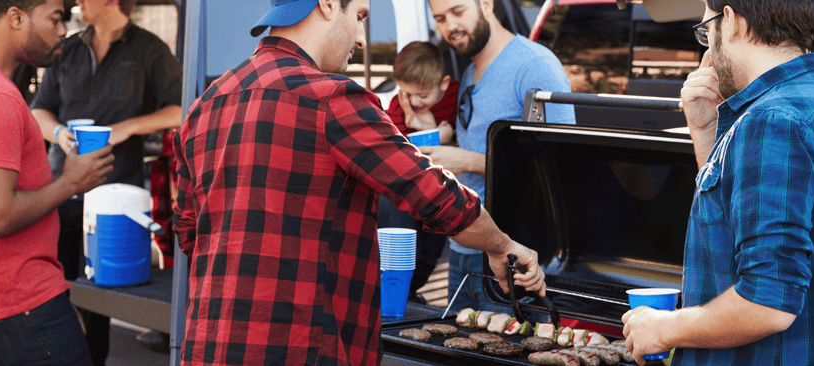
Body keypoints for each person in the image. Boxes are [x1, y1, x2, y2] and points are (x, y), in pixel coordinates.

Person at [173, 0, 548, 364]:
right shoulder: (333, 98)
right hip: (305, 348)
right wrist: (503, 246)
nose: (362, 39)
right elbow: (437, 196)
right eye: (361, 16)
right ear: (328, 4)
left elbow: (189, 233)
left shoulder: (204, 105)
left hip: (210, 346)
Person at [618, 0, 814, 364]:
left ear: (731, 21)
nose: (708, 45)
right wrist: (705, 132)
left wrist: (663, 328)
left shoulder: (771, 121)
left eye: (706, 30)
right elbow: (738, 225)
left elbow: (767, 303)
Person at [0, 0, 115, 364]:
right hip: (16, 302)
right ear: (16, 17)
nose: (63, 30)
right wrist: (70, 182)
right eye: (55, 19)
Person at [30, 0, 183, 362]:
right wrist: (59, 133)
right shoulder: (66, 48)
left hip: (115, 202)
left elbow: (182, 109)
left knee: (98, 301)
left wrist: (127, 128)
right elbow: (39, 109)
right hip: (61, 192)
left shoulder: (150, 49)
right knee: (55, 294)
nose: (78, 3)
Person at [426, 0, 575, 314]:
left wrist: (466, 161)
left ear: (486, 4)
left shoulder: (534, 65)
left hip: (515, 251)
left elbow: (563, 167)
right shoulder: (469, 72)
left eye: (457, 11)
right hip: (463, 247)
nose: (450, 26)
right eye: (440, 18)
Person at [380, 41, 458, 302]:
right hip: (406, 193)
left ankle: (412, 290)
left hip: (440, 193)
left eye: (422, 95)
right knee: (402, 248)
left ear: (444, 84)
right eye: (407, 93)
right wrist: (439, 135)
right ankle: (401, 292)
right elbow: (400, 154)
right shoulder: (397, 105)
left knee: (432, 249)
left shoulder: (456, 97)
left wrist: (432, 131)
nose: (413, 102)